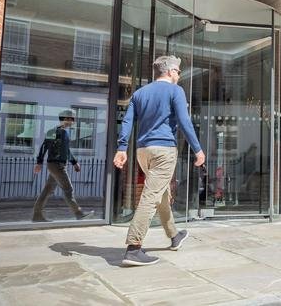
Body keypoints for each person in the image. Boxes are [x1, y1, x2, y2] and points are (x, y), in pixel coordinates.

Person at [114, 55, 205, 267]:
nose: (179, 76)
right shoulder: (176, 91)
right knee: (150, 196)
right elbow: (184, 121)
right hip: (164, 151)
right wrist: (198, 150)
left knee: (162, 193)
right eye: (179, 72)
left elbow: (127, 121)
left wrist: (121, 147)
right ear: (171, 72)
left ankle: (174, 235)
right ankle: (134, 248)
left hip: (142, 151)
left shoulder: (139, 93)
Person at [33, 109, 93, 222]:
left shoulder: (61, 132)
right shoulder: (57, 132)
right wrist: (39, 162)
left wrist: (74, 162)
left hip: (55, 165)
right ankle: (78, 213)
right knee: (68, 189)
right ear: (66, 119)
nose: (73, 122)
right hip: (57, 166)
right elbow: (44, 146)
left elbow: (65, 150)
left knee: (47, 190)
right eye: (72, 119)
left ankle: (37, 214)